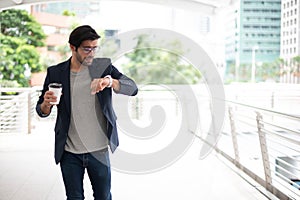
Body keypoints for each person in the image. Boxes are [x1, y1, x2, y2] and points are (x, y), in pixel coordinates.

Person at [36, 25, 138, 200]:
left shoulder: (103, 67)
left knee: (103, 197)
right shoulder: (56, 72)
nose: (91, 53)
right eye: (86, 49)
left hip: (99, 151)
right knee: (74, 197)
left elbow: (133, 88)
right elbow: (42, 111)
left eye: (94, 48)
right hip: (69, 151)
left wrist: (110, 81)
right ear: (72, 47)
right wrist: (46, 103)